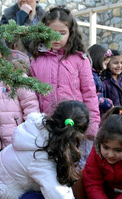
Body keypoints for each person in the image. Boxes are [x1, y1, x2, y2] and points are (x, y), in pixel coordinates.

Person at [30, 7, 100, 167]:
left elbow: (89, 94)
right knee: (49, 166)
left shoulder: (80, 60)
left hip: (75, 127)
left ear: (70, 33)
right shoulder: (35, 60)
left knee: (74, 166)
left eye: (62, 33)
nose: (56, 37)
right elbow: (32, 95)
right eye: (52, 32)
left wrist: (92, 126)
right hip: (46, 127)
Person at [0, 47, 40, 153]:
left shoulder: (16, 76)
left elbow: (30, 105)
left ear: (4, 56)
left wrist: (28, 131)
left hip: (15, 139)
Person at [87, 44, 114, 116]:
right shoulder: (91, 76)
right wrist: (108, 103)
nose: (105, 68)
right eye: (105, 64)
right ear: (98, 60)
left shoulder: (96, 76)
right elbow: (92, 98)